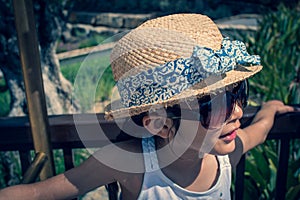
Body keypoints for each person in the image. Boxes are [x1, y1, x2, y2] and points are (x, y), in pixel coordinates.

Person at [0, 13, 295, 200]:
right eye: (216, 105)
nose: (239, 112)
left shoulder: (227, 156)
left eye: (237, 94)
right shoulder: (132, 165)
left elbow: (261, 129)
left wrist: (269, 108)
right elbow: (40, 192)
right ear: (160, 123)